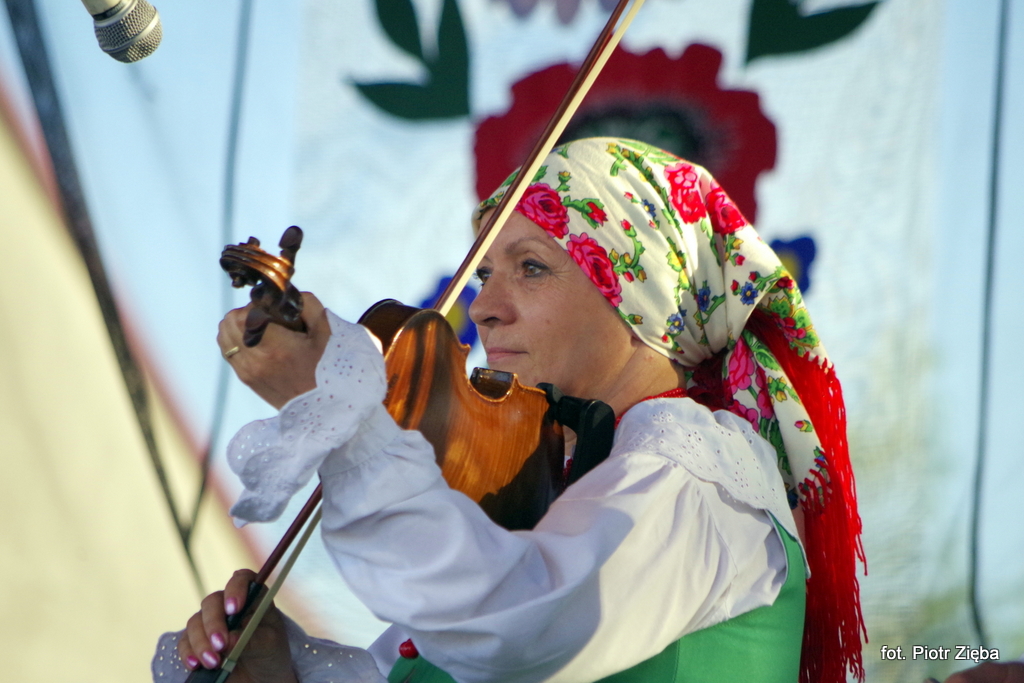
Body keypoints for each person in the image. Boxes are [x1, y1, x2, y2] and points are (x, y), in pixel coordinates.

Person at [152, 138, 865, 683]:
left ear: (637, 298)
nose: (484, 308)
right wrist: (285, 671)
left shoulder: (697, 476)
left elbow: (509, 630)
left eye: (531, 267)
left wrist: (342, 419)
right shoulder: (549, 488)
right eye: (486, 272)